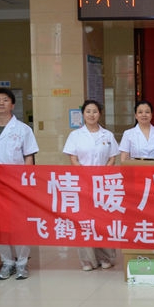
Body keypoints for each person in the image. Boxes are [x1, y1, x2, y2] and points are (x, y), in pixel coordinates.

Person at [0, 88, 39, 280]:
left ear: (12, 104)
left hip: (15, 184)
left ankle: (22, 263)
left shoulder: (23, 129)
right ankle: (7, 262)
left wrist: (25, 182)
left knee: (18, 223)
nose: (1, 103)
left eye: (5, 100)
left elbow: (29, 156)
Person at [62, 99, 119, 271]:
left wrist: (102, 174)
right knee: (85, 221)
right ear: (83, 114)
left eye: (95, 111)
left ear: (99, 114)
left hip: (103, 184)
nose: (91, 115)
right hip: (83, 183)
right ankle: (87, 260)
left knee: (103, 220)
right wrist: (85, 175)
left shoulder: (107, 135)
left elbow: (112, 158)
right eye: (88, 111)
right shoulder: (75, 135)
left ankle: (105, 257)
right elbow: (73, 158)